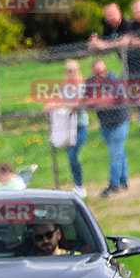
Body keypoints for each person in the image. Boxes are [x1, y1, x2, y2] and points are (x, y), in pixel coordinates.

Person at [45, 60, 89, 198]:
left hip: (80, 125)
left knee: (72, 154)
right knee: (71, 156)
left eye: (73, 70)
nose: (70, 73)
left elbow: (76, 103)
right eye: (68, 70)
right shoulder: (65, 87)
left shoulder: (82, 86)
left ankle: (80, 185)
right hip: (67, 126)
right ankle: (77, 185)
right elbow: (60, 100)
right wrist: (51, 104)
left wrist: (56, 105)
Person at [87, 61, 130, 197]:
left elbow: (110, 99)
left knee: (116, 153)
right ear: (93, 73)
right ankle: (123, 180)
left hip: (120, 122)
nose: (101, 75)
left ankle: (113, 185)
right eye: (98, 73)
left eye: (103, 71)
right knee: (119, 151)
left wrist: (96, 101)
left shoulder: (113, 80)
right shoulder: (90, 82)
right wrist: (98, 101)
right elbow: (85, 102)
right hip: (105, 123)